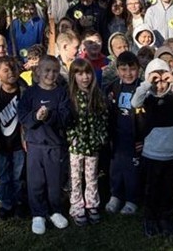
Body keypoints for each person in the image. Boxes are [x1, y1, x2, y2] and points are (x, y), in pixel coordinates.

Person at [131, 58, 173, 238]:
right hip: (153, 154)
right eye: (156, 81)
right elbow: (134, 103)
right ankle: (150, 218)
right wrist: (148, 83)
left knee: (168, 188)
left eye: (163, 80)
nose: (160, 85)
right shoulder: (147, 99)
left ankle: (165, 217)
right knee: (152, 188)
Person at [18, 55, 72, 235]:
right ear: (38, 71)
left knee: (55, 181)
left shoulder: (62, 93)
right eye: (47, 70)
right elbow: (23, 116)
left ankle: (55, 211)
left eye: (55, 71)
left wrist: (49, 116)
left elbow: (66, 117)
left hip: (56, 145)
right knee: (36, 181)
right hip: (35, 145)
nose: (51, 74)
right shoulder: (30, 93)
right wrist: (35, 117)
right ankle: (38, 214)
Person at [66, 59, 108, 226]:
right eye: (80, 73)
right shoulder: (70, 96)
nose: (85, 77)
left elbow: (104, 117)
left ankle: (92, 204)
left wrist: (101, 136)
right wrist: (72, 138)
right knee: (75, 177)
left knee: (91, 176)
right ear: (73, 76)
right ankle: (76, 206)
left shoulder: (97, 94)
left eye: (88, 73)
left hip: (93, 144)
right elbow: (67, 121)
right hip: (76, 146)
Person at [0, 56, 27, 220]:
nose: (11, 72)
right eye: (6, 70)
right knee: (4, 176)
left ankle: (19, 203)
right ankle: (6, 204)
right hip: (1, 143)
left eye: (13, 68)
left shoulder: (24, 90)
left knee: (18, 176)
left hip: (19, 143)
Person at [104, 51, 144, 216]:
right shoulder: (112, 87)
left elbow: (149, 117)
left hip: (134, 137)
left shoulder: (143, 88)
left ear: (138, 69)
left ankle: (132, 199)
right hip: (117, 136)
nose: (128, 73)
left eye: (132, 69)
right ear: (117, 70)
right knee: (116, 167)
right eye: (123, 69)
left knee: (132, 170)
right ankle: (116, 195)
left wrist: (144, 138)